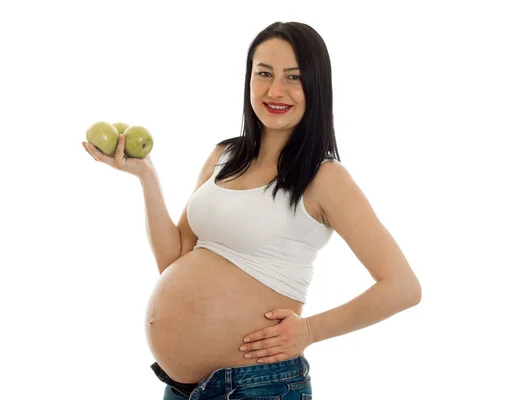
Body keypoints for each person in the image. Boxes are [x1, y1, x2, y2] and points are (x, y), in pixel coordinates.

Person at [82, 21, 421, 400]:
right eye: (264, 74)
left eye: (293, 77)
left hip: (256, 387)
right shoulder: (224, 156)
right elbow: (173, 259)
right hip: (181, 389)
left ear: (316, 86)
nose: (276, 90)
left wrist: (309, 331)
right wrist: (146, 176)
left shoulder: (325, 178)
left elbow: (402, 287)